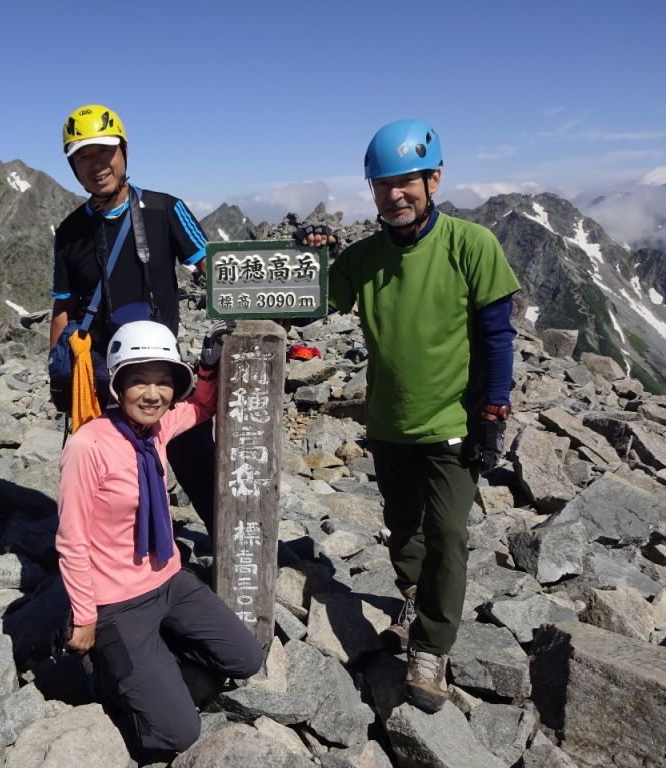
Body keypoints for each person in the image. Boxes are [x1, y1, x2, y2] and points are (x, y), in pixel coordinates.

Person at [300, 119, 520, 713]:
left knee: (448, 532)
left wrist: (493, 412)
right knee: (403, 529)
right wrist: (306, 259)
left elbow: (498, 337)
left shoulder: (472, 245)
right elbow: (310, 305)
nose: (396, 194)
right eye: (383, 184)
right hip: (389, 423)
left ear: (434, 179)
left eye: (408, 182)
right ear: (371, 190)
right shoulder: (365, 258)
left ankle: (431, 646)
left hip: (453, 419)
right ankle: (415, 596)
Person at [56, 320, 263, 759]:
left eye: (164, 382)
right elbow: (71, 540)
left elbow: (202, 408)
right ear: (117, 384)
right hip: (116, 603)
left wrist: (207, 368)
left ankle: (151, 670)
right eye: (139, 381)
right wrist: (83, 615)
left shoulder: (157, 430)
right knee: (178, 734)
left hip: (169, 581)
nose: (153, 394)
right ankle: (115, 681)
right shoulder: (87, 445)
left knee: (246, 658)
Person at [50, 103, 218, 533]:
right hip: (103, 378)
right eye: (83, 157)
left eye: (104, 151)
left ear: (123, 153)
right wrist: (59, 377)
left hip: (162, 374)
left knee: (192, 458)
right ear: (73, 167)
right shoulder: (70, 233)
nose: (96, 165)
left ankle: (229, 543)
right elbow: (63, 307)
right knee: (115, 473)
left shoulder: (165, 211)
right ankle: (125, 561)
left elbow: (217, 274)